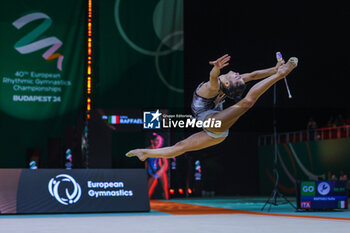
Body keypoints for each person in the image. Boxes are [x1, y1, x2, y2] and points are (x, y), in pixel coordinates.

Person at [126, 54, 298, 161]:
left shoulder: (219, 85)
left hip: (214, 126)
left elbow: (225, 77)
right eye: (238, 76)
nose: (238, 74)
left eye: (236, 77)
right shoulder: (220, 85)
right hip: (212, 125)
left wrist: (275, 70)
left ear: (228, 83)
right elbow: (243, 76)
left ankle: (281, 75)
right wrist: (274, 69)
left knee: (247, 102)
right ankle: (145, 153)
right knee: (180, 147)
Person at [146, 133, 169, 200]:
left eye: (159, 140)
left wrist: (160, 172)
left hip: (158, 171)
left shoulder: (160, 151)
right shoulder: (146, 150)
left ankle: (166, 199)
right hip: (150, 172)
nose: (158, 142)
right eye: (156, 140)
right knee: (150, 186)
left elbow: (165, 164)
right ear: (152, 141)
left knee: (165, 187)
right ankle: (146, 201)